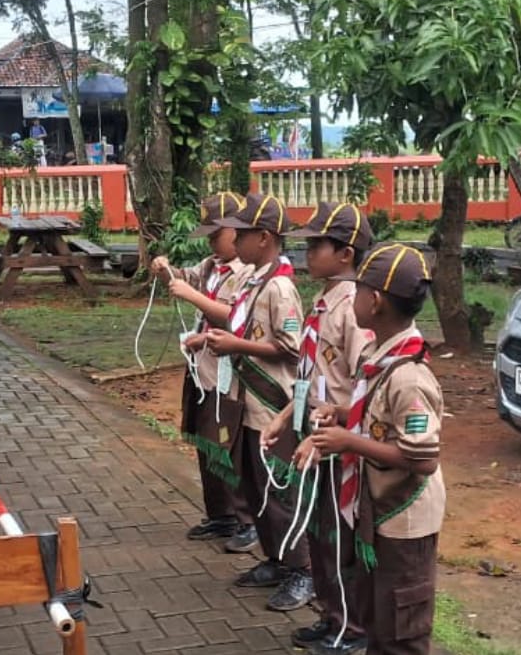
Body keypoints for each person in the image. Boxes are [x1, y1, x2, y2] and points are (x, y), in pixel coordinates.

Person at [310, 242, 444, 655]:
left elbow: (423, 458)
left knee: (400, 628)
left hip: (404, 518)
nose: (353, 295)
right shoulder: (378, 355)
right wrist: (342, 413)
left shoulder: (409, 377)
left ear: (376, 301)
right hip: (378, 508)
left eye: (359, 288)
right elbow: (375, 415)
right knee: (376, 614)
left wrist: (349, 441)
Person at [262, 202, 375, 648]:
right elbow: (310, 376)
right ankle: (332, 616)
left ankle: (354, 627)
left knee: (341, 537)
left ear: (345, 253)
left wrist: (333, 431)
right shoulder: (324, 301)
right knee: (321, 533)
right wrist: (284, 417)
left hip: (341, 444)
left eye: (317, 245)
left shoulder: (354, 310)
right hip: (315, 436)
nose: (307, 252)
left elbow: (365, 388)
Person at [205, 192, 313, 611]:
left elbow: (291, 347)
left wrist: (236, 345)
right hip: (247, 402)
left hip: (271, 404)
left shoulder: (280, 287)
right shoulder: (254, 280)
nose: (235, 241)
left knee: (280, 491)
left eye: (243, 234)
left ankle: (302, 570)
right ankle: (276, 558)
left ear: (265, 237)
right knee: (255, 487)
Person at [150, 192, 257, 549]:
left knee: (229, 446)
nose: (211, 241)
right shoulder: (212, 266)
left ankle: (246, 520)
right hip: (203, 371)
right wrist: (166, 271)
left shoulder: (248, 273)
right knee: (205, 441)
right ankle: (221, 515)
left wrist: (191, 296)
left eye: (216, 233)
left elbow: (236, 318)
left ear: (237, 230)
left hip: (229, 375)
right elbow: (186, 279)